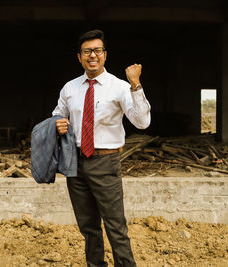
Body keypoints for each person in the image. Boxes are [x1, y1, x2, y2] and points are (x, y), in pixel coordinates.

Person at [52, 29, 151, 267]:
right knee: (88, 226)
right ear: (79, 57)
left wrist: (136, 85)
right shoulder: (70, 88)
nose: (92, 55)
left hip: (105, 163)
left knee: (115, 225)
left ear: (105, 55)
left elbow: (142, 122)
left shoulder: (119, 87)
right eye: (87, 51)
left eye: (97, 50)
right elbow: (57, 113)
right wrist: (57, 123)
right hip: (75, 163)